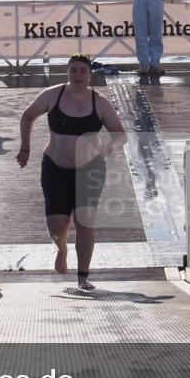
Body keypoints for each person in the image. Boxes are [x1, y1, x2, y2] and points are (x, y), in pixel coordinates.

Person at [16, 53, 128, 290]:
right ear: (67, 72)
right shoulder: (52, 95)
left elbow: (120, 134)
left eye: (82, 71)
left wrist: (109, 146)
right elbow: (28, 116)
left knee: (85, 222)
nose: (78, 75)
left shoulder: (100, 102)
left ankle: (83, 275)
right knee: (57, 225)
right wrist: (25, 148)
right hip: (55, 166)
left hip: (89, 169)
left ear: (90, 75)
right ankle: (62, 247)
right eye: (73, 70)